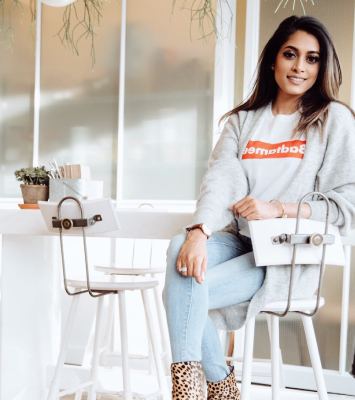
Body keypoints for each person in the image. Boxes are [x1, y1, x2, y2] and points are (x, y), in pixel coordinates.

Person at [163, 15, 355, 400]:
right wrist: (199, 231)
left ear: (321, 66)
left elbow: (346, 205)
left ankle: (202, 390)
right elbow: (220, 181)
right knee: (178, 250)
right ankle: (217, 385)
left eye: (312, 58)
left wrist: (278, 209)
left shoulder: (333, 120)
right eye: (290, 54)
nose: (300, 67)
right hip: (241, 241)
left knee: (186, 291)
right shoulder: (242, 122)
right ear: (273, 60)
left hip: (286, 255)